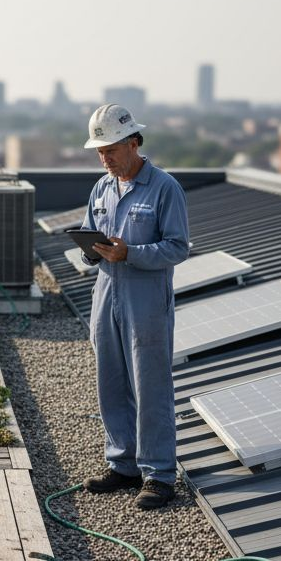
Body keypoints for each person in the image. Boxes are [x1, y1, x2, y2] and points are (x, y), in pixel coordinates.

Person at [77, 104, 189, 509]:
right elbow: (91, 241)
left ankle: (159, 474)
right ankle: (123, 464)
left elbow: (178, 247)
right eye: (99, 152)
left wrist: (132, 253)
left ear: (134, 142)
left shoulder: (164, 188)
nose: (104, 158)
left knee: (150, 387)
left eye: (110, 149)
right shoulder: (102, 189)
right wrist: (91, 251)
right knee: (111, 382)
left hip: (146, 301)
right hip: (106, 297)